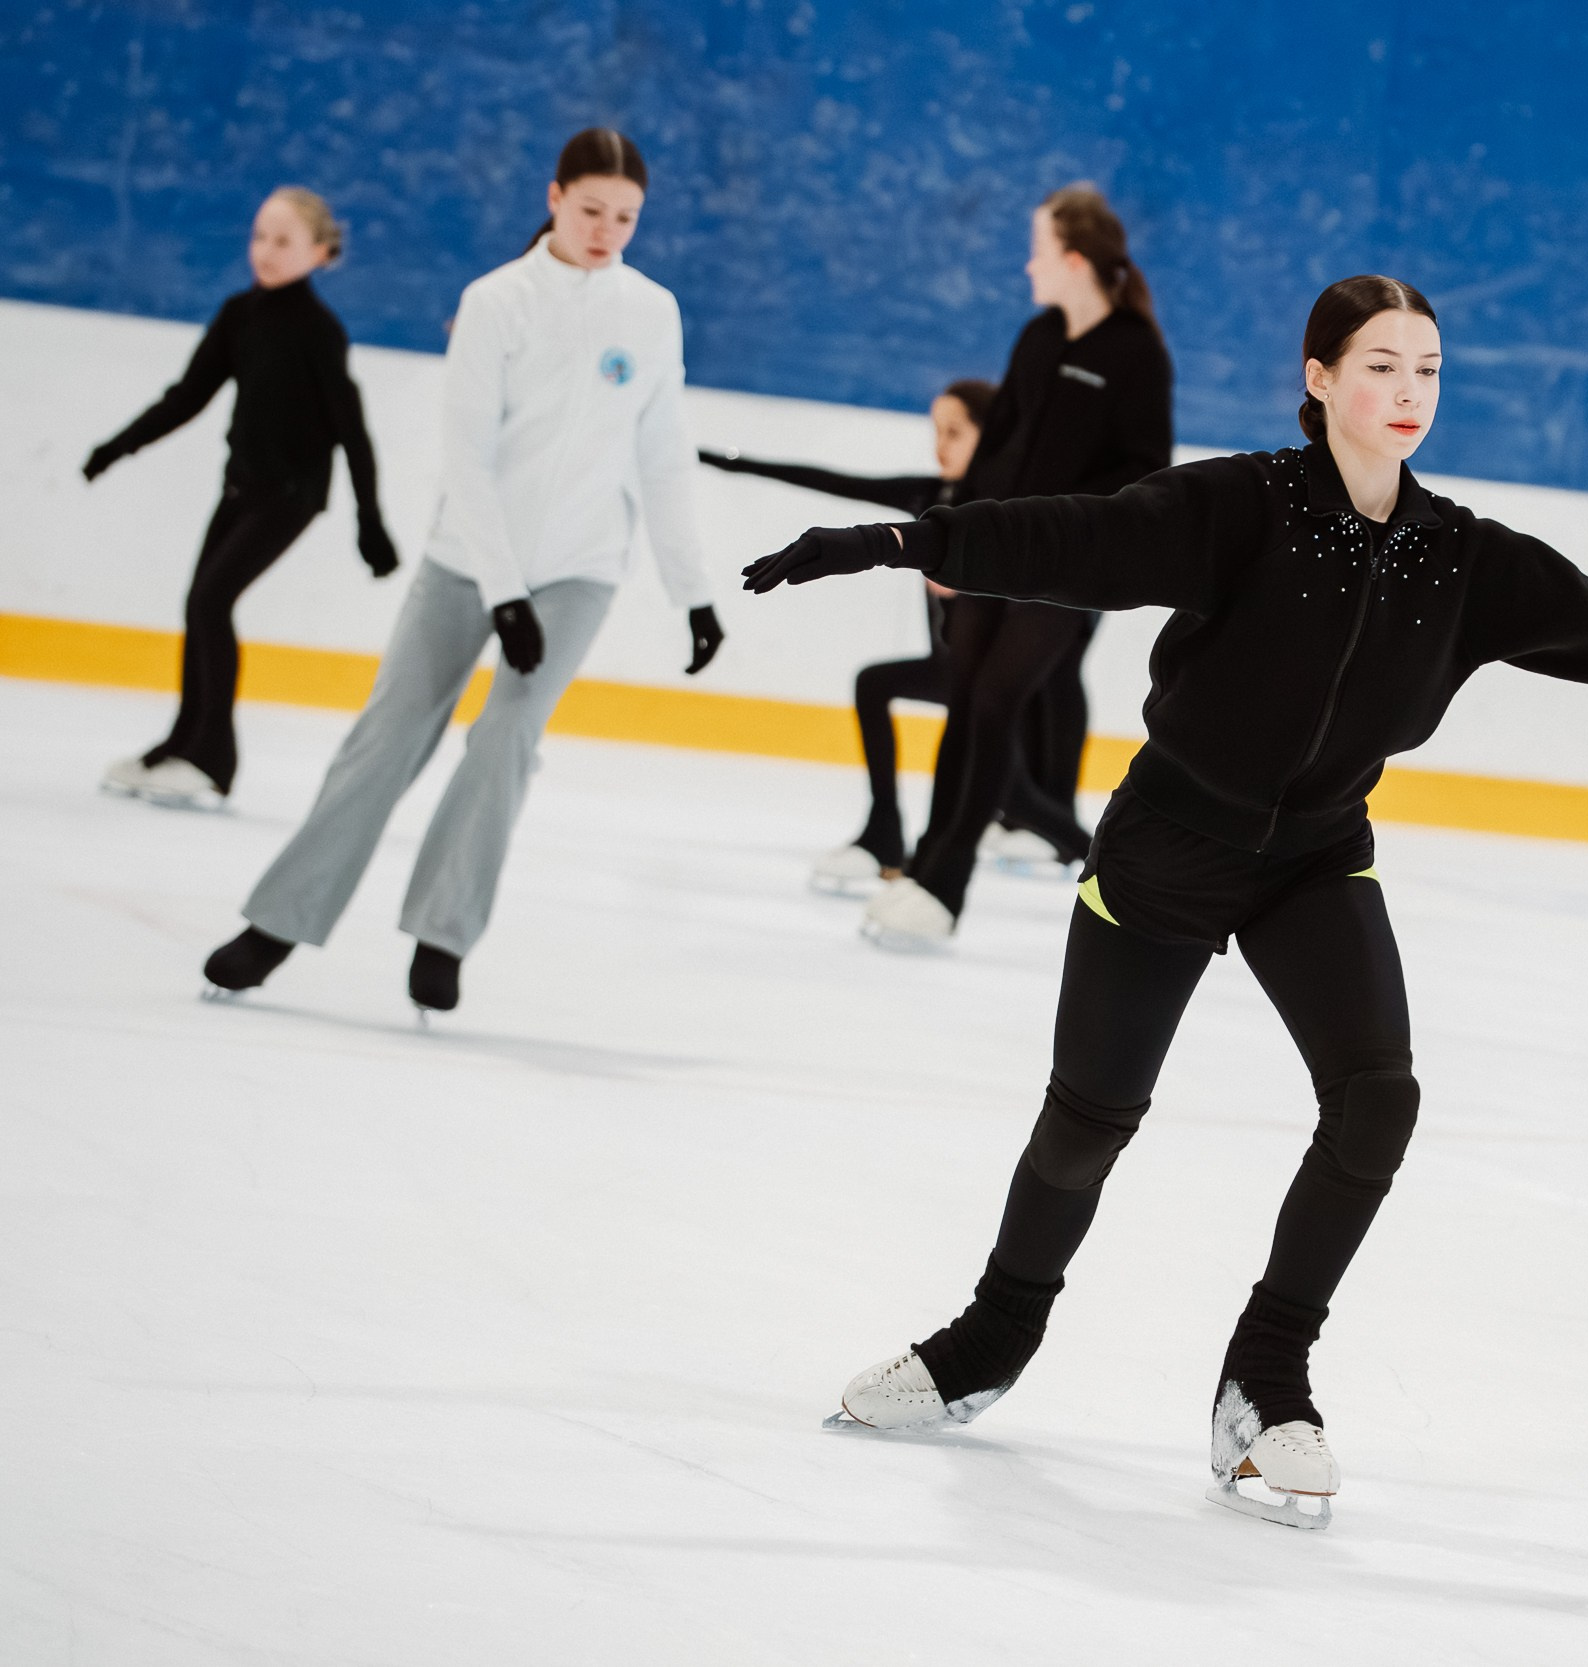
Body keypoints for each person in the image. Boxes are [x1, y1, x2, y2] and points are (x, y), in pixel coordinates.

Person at [739, 275, 1588, 1528]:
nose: (1407, 394)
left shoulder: (1462, 560)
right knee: (1090, 1118)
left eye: (1428, 370)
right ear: (1319, 376)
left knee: (1378, 1098)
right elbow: (1077, 536)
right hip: (1168, 844)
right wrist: (902, 541)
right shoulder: (1238, 507)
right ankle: (990, 1338)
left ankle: (1265, 1377)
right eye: (1380, 365)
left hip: (1313, 859)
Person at [198, 127, 724, 1016]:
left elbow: (664, 455)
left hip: (580, 569)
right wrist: (503, 591)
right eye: (592, 209)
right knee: (389, 734)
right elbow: (468, 459)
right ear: (555, 198)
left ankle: (442, 932)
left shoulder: (651, 311)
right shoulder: (496, 301)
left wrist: (694, 592)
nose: (607, 230)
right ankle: (280, 921)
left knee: (507, 740)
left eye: (626, 218)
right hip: (468, 561)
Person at [860, 183, 1174, 949]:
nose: (1027, 265)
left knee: (998, 699)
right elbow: (994, 448)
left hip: (1071, 566)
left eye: (1037, 250)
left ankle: (948, 884)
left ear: (1073, 260)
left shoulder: (1135, 355)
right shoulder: (1038, 339)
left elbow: (1144, 471)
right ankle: (929, 868)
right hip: (994, 554)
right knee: (967, 701)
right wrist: (947, 537)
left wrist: (1081, 533)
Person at [85, 187, 397, 808]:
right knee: (196, 604)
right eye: (260, 237)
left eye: (283, 241)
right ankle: (182, 742)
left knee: (210, 602)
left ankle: (212, 759)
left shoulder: (319, 331)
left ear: (319, 251)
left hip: (292, 494)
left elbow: (350, 429)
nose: (266, 251)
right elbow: (187, 398)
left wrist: (371, 521)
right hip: (242, 487)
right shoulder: (239, 315)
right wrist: (118, 446)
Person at [703, 379, 1081, 890]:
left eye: (955, 432)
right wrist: (735, 463)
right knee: (876, 684)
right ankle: (883, 834)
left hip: (989, 685)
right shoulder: (933, 496)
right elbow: (835, 481)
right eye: (936, 431)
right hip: (949, 672)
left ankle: (1107, 860)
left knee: (1015, 797)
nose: (940, 446)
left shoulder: (1006, 513)